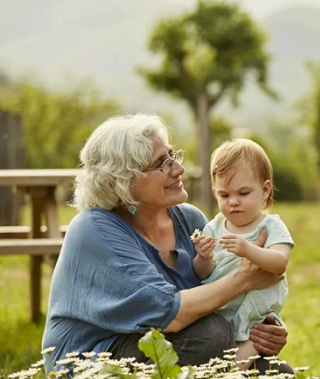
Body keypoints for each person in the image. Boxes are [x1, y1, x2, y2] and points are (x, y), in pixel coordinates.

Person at [41, 114, 293, 375]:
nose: (179, 169)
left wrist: (263, 328)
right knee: (212, 334)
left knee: (276, 371)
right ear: (124, 182)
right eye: (162, 164)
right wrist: (246, 279)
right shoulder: (93, 228)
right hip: (94, 361)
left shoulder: (189, 219)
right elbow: (169, 314)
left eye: (173, 156)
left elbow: (216, 293)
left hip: (169, 344)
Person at [192, 138, 294, 370]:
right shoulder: (214, 226)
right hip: (222, 309)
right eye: (224, 195)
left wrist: (248, 249)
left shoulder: (270, 226)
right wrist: (204, 257)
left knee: (234, 365)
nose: (234, 202)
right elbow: (201, 274)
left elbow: (279, 263)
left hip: (255, 316)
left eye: (243, 193)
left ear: (265, 190)